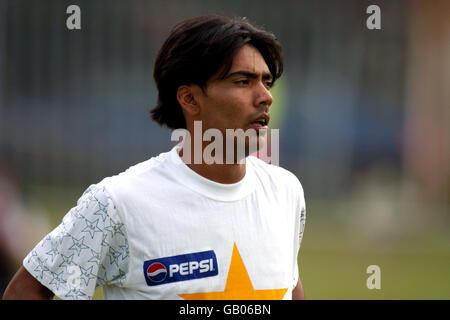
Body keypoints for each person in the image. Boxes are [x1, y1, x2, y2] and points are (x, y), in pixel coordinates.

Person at [2, 14, 306, 300]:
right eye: (243, 81)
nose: (266, 96)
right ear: (189, 98)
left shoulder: (286, 192)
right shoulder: (118, 203)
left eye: (267, 82)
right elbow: (26, 292)